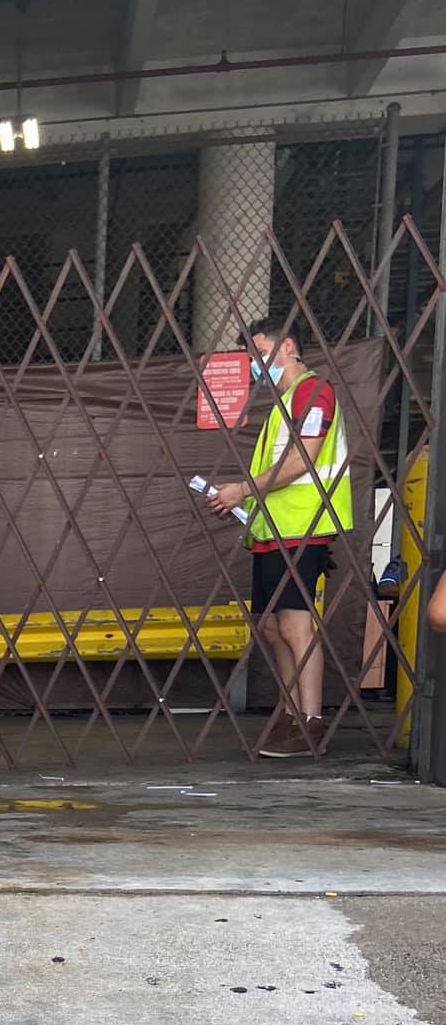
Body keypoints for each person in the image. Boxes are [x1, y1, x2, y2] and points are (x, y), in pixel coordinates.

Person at [207, 316, 353, 758]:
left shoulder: (312, 392)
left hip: (303, 527)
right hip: (274, 529)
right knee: (272, 625)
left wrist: (242, 490)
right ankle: (291, 715)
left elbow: (301, 462)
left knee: (294, 622)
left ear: (287, 346)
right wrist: (243, 502)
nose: (255, 364)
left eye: (260, 353)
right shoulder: (285, 402)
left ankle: (310, 720)